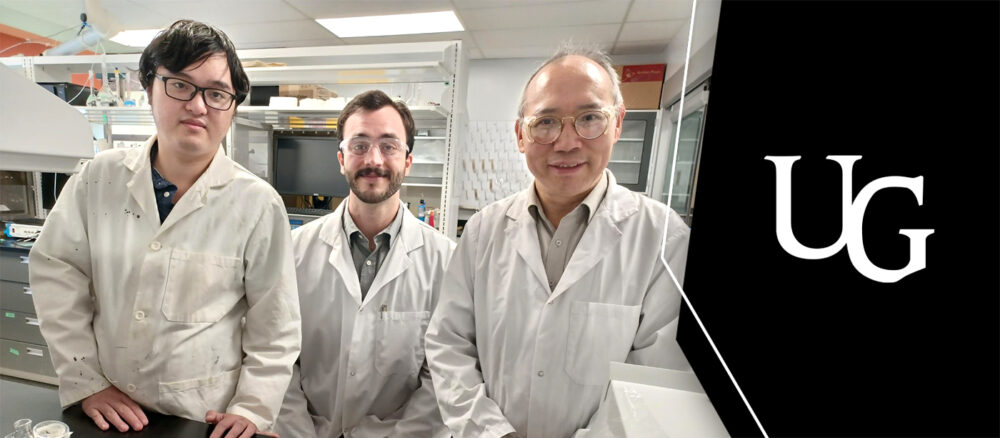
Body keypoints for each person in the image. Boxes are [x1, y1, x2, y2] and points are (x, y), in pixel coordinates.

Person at [28, 20, 301, 438]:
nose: (198, 105)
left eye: (216, 93)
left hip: (201, 418)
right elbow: (56, 275)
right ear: (149, 87)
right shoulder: (97, 179)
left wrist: (251, 409)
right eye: (180, 85)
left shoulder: (258, 203)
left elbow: (275, 327)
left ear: (232, 107)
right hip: (108, 409)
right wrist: (88, 382)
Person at [424, 46, 692, 437]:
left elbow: (656, 380)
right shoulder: (483, 230)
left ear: (617, 124)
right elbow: (449, 346)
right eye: (546, 122)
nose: (566, 142)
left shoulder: (663, 239)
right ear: (521, 135)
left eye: (589, 118)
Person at [276, 90, 454, 438]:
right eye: (359, 145)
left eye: (389, 146)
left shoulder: (445, 261)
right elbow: (279, 357)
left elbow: (444, 376)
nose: (374, 159)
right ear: (341, 158)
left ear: (407, 161)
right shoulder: (294, 251)